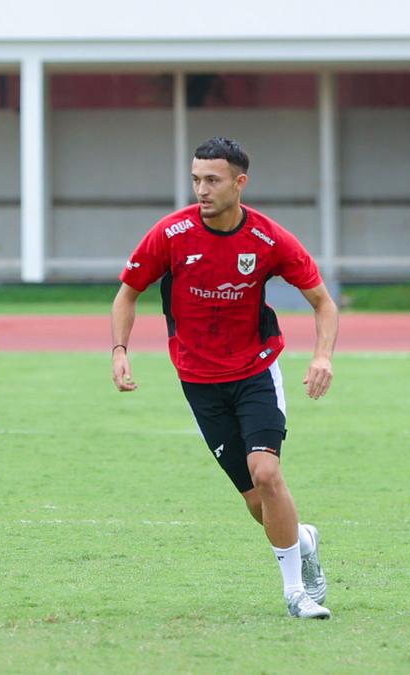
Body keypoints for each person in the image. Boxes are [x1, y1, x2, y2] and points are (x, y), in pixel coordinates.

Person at [110, 137, 339, 619]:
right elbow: (127, 294)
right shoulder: (170, 235)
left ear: (240, 183)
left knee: (268, 473)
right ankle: (303, 540)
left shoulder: (269, 239)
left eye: (212, 180)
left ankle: (296, 593)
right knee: (260, 506)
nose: (202, 190)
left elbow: (323, 302)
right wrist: (120, 351)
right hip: (198, 382)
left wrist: (322, 357)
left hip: (255, 371)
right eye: (196, 179)